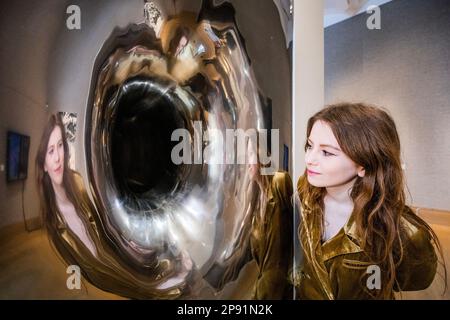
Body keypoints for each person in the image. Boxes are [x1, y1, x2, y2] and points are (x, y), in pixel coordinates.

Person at [295, 102, 446, 299]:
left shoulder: (404, 233)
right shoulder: (303, 194)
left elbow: (419, 278)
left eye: (327, 152)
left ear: (363, 164)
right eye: (309, 145)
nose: (309, 159)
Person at [36, 113, 194, 299]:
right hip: (120, 278)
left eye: (60, 146)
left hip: (129, 251)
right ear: (44, 164)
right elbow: (100, 272)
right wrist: (166, 283)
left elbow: (107, 224)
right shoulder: (56, 226)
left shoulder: (78, 183)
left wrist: (136, 246)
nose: (57, 158)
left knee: (172, 260)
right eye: (50, 151)